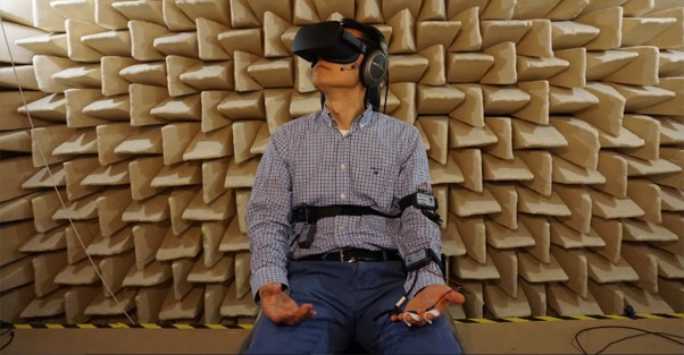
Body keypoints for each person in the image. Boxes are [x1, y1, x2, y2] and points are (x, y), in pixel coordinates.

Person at [244, 18, 465, 354]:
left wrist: (427, 280)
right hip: (312, 280)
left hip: (389, 281)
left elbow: (418, 217)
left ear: (373, 65)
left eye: (339, 49)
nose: (320, 59)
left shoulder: (403, 138)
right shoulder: (287, 140)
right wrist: (271, 287)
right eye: (317, 54)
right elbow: (267, 219)